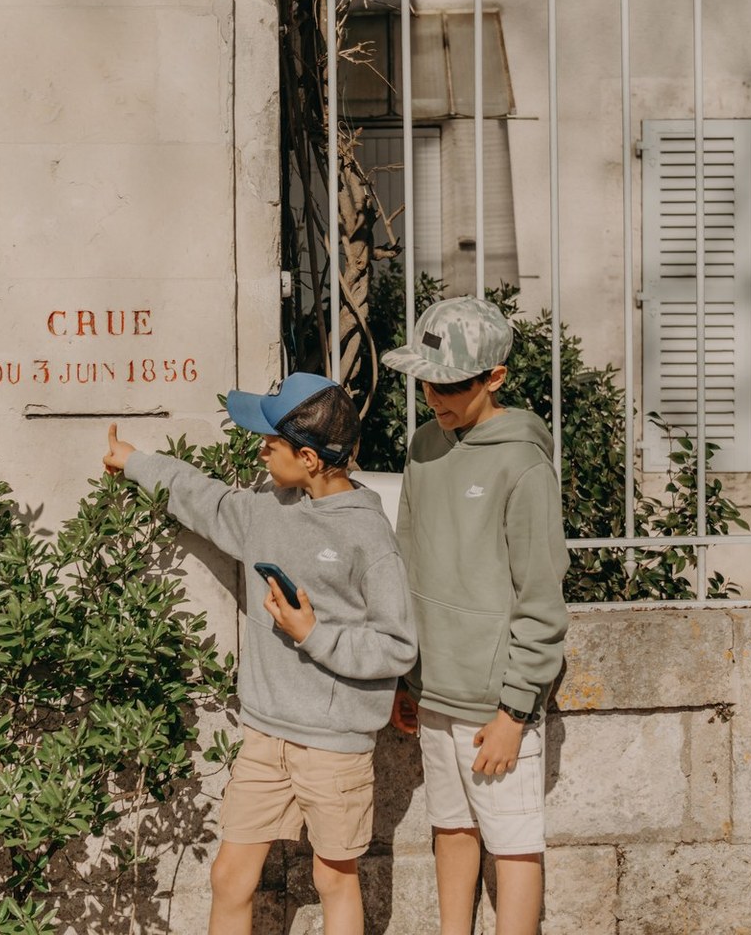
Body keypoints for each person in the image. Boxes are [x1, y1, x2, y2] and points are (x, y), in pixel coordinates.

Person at [102, 372, 416, 935]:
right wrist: (135, 462)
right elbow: (205, 499)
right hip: (265, 736)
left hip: (334, 747)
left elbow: (397, 645)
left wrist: (313, 633)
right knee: (230, 877)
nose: (261, 451)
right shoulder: (267, 508)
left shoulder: (369, 535)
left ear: (309, 458)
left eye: (271, 443)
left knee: (333, 881)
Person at [381, 296, 570, 935]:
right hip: (433, 690)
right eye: (426, 382)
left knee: (513, 842)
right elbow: (409, 563)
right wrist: (407, 677)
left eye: (451, 385)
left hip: (495, 704)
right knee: (451, 828)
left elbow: (540, 599)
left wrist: (515, 711)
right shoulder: (422, 446)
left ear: (495, 378)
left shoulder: (524, 464)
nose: (434, 397)